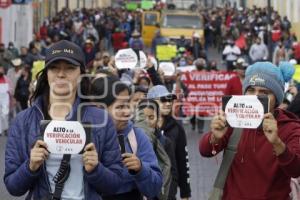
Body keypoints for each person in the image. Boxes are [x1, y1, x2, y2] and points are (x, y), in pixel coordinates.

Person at [4, 40, 123, 199]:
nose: (61, 74)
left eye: (70, 68)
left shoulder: (101, 120)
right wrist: (30, 166)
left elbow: (115, 184)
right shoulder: (23, 121)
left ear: (81, 73)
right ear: (46, 73)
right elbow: (13, 186)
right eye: (54, 68)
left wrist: (96, 169)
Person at [199, 61, 300, 199]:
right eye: (251, 90)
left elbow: (296, 170)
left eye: (264, 93)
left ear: (276, 98)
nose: (256, 97)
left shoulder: (291, 127)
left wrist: (277, 143)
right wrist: (214, 137)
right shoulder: (235, 120)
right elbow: (205, 151)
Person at [90, 76, 163, 199]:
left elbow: (155, 188)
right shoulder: (83, 138)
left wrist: (141, 169)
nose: (128, 112)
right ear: (99, 109)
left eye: (127, 105)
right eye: (119, 107)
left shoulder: (137, 136)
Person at [147, 85, 191, 200]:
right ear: (151, 102)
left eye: (170, 99)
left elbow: (183, 161)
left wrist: (185, 193)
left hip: (169, 189)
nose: (168, 103)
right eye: (163, 100)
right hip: (146, 187)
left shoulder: (177, 128)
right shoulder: (140, 127)